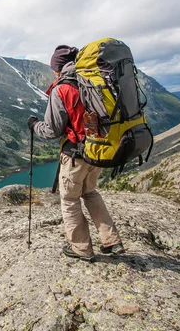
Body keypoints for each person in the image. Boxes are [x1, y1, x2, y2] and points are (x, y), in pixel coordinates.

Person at [28, 45, 125, 262]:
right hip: (98, 151)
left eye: (54, 67)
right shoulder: (94, 81)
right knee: (90, 193)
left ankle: (81, 249)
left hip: (75, 155)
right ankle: (111, 240)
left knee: (70, 199)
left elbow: (53, 130)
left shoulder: (61, 89)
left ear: (58, 68)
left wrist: (35, 125)